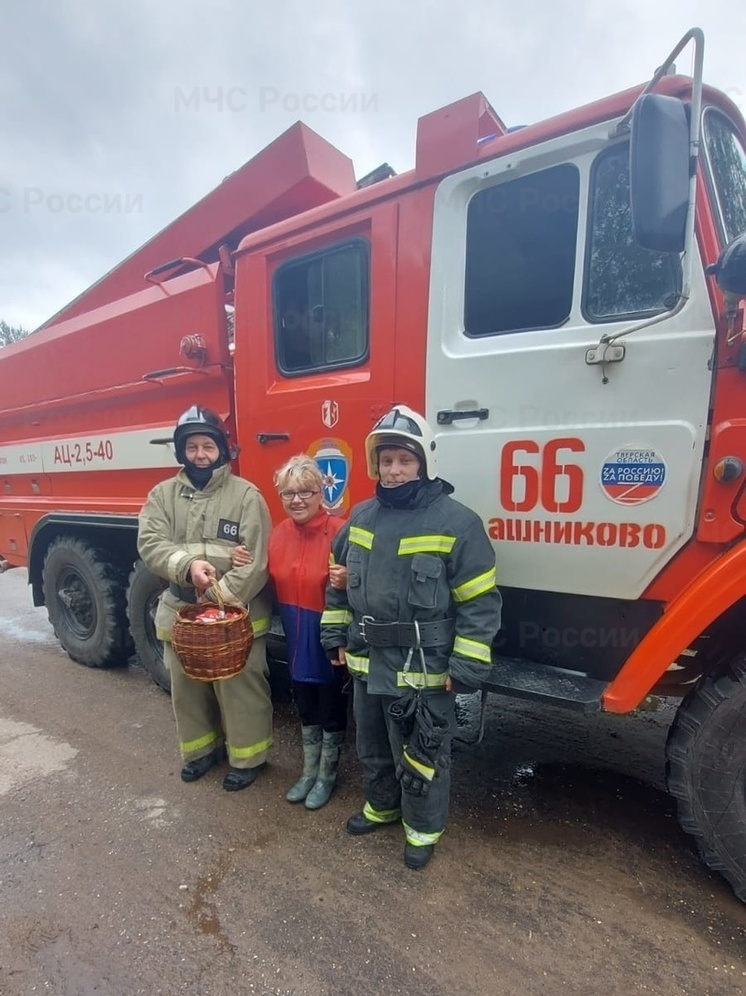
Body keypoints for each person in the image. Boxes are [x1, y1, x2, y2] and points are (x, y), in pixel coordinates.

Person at [320, 405, 502, 869]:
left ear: (424, 462)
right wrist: (336, 633)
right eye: (386, 461)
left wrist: (463, 668)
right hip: (365, 661)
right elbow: (337, 581)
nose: (395, 470)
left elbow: (480, 603)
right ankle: (381, 807)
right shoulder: (360, 518)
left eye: (405, 459)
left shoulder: (457, 523)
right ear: (375, 465)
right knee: (373, 746)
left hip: (423, 669)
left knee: (422, 754)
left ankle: (422, 830)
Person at [137, 405, 273, 791]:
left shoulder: (247, 496)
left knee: (240, 684)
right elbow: (151, 544)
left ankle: (249, 758)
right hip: (180, 611)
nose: (200, 454)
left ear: (222, 450)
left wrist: (220, 600)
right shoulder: (162, 496)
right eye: (192, 446)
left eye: (208, 446)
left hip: (236, 615)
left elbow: (257, 559)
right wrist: (191, 565)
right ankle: (200, 752)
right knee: (186, 684)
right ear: (181, 451)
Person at [233, 454, 348, 809]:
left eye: (306, 491)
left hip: (328, 636)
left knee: (331, 708)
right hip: (296, 637)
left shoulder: (341, 531)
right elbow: (260, 576)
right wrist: (235, 557)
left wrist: (349, 579)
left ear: (321, 494)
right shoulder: (278, 534)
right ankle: (308, 770)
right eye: (288, 493)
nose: (297, 500)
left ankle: (327, 774)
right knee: (305, 705)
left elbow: (367, 581)